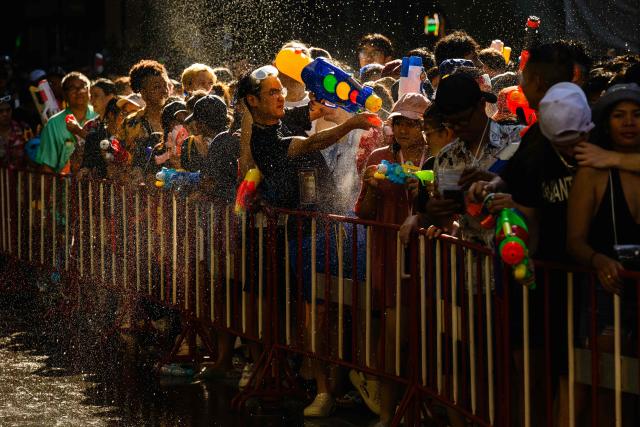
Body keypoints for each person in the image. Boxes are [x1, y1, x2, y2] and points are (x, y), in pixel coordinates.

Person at [237, 65, 376, 418]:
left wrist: (326, 106)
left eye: (279, 89)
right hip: (301, 237)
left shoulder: (282, 118)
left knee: (339, 306)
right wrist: (349, 124)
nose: (281, 95)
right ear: (252, 102)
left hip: (326, 228)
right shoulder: (264, 139)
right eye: (271, 93)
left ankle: (346, 382)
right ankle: (321, 385)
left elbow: (308, 113)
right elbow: (312, 141)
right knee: (315, 309)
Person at [354, 93, 430, 426]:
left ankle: (422, 406)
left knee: (428, 336)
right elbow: (363, 212)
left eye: (411, 123)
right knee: (391, 334)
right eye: (398, 122)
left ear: (424, 126)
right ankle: (387, 414)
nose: (403, 129)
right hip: (388, 256)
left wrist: (420, 188)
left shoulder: (434, 159)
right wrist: (371, 186)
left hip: (429, 259)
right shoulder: (380, 156)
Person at [566, 84, 640, 426]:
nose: (629, 123)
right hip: (608, 295)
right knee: (608, 387)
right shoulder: (593, 172)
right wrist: (598, 261)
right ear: (606, 122)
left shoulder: (608, 161)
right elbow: (575, 241)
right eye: (619, 115)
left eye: (637, 115)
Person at [35, 71, 96, 174]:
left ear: (89, 90)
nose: (79, 91)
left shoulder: (99, 116)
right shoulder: (53, 124)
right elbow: (47, 167)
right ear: (64, 94)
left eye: (83, 86)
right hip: (65, 185)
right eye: (72, 88)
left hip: (97, 186)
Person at [118, 60, 170, 182]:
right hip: (139, 190)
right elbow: (120, 158)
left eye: (165, 85)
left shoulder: (178, 117)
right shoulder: (131, 123)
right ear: (143, 92)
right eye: (157, 87)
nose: (164, 91)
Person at [0, 93, 32, 169]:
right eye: (0, 111)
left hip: (20, 178)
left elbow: (30, 157)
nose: (5, 114)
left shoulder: (23, 129)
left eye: (8, 110)